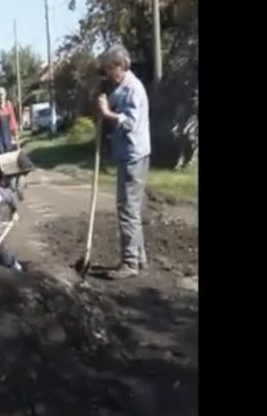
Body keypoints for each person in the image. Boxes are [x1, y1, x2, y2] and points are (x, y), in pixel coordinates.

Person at [97, 45, 151, 279]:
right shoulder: (122, 88)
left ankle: (130, 262)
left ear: (120, 66)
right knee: (131, 209)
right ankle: (138, 257)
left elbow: (129, 121)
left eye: (110, 69)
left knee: (127, 209)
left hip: (133, 156)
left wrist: (107, 112)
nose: (108, 74)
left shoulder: (133, 89)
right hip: (131, 154)